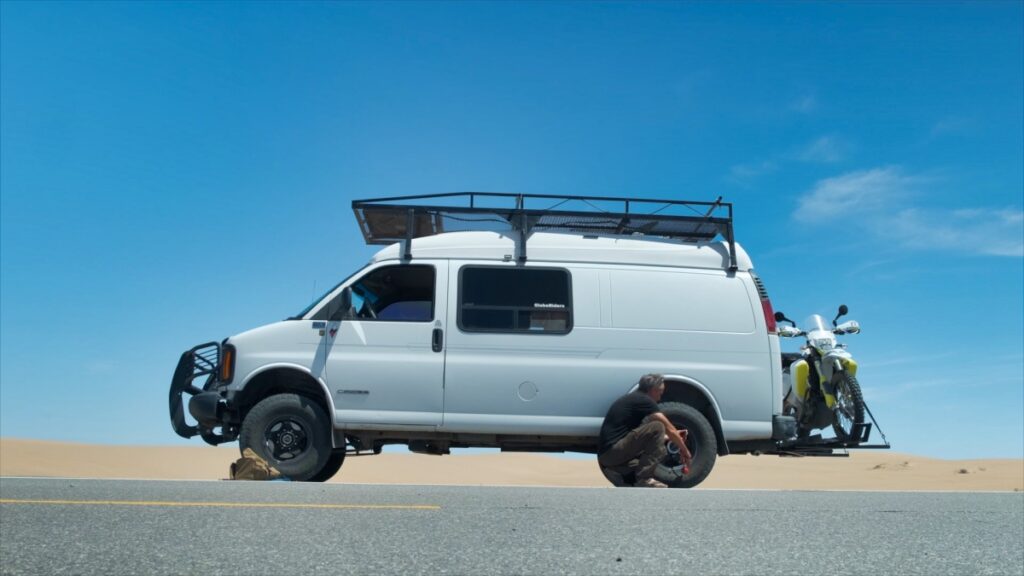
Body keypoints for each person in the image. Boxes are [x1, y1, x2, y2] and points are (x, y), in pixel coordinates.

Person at [597, 373, 693, 488]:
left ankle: (619, 472)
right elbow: (668, 427)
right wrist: (685, 451)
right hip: (612, 453)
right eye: (660, 392)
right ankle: (644, 479)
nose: (660, 397)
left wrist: (671, 438)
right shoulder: (644, 400)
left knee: (659, 453)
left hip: (608, 457)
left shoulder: (635, 400)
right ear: (653, 390)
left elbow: (649, 439)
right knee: (657, 426)